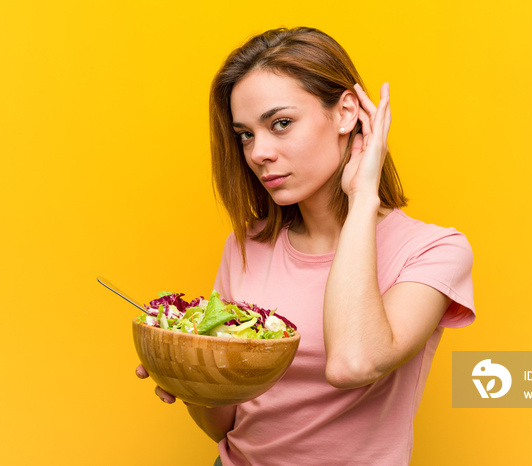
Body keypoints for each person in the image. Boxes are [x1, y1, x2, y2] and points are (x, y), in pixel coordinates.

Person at [136, 26, 475, 465]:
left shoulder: (432, 252)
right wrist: (190, 377)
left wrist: (362, 198)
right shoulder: (247, 245)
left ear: (346, 112)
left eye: (281, 124)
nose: (259, 152)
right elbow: (220, 424)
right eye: (246, 134)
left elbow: (353, 363)